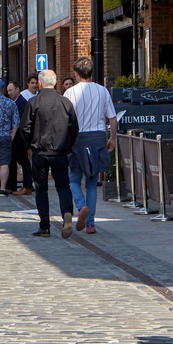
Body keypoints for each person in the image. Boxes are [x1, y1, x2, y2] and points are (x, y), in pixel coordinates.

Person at [64, 58, 119, 234]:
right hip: (97, 137)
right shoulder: (103, 91)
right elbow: (113, 118)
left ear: (75, 74)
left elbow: (64, 119)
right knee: (92, 183)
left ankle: (81, 206)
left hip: (77, 138)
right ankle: (90, 224)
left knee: (73, 179)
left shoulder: (69, 93)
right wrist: (113, 138)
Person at [23, 69, 79, 238]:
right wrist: (67, 144)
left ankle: (44, 226)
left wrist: (30, 145)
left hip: (40, 151)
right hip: (60, 151)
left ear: (40, 83)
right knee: (63, 185)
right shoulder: (65, 102)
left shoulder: (33, 102)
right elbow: (74, 127)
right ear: (54, 83)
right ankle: (67, 212)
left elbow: (25, 127)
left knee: (41, 188)